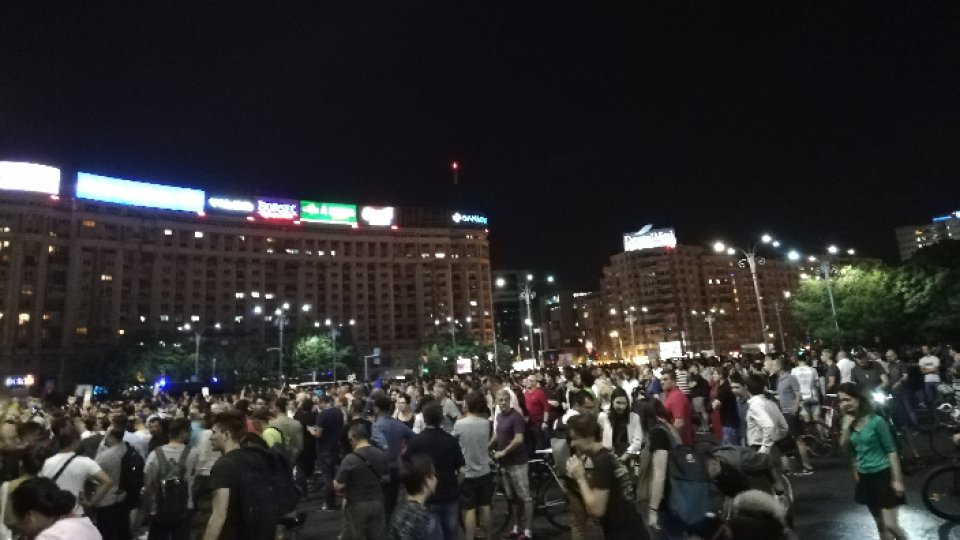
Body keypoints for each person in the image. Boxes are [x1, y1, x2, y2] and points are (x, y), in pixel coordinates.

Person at [836, 383, 907, 540]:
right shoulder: (848, 423)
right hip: (865, 477)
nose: (844, 404)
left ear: (858, 399)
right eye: (841, 401)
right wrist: (846, 428)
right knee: (880, 526)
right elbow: (846, 450)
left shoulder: (877, 421)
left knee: (891, 525)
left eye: (847, 400)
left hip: (884, 475)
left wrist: (897, 480)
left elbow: (891, 451)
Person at [202, 410, 287, 540]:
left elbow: (219, 516)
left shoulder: (223, 466)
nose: (211, 437)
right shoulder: (257, 457)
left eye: (214, 432)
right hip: (263, 532)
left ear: (226, 435)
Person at [564, 414, 649, 540]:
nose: (572, 444)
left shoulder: (602, 462)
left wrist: (580, 477)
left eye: (574, 438)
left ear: (588, 437)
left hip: (624, 533)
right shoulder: (607, 455)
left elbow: (597, 509)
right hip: (629, 528)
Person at [406, 403, 465, 540]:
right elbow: (462, 469)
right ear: (441, 419)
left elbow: (407, 466)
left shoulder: (416, 441)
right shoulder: (450, 440)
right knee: (450, 533)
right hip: (449, 494)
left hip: (426, 496)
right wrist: (456, 483)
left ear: (424, 419)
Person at [40, 423, 113, 516]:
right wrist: (91, 502)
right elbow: (107, 481)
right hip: (76, 511)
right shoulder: (85, 462)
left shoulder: (47, 462)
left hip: (53, 512)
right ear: (75, 441)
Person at [143, 418, 198, 540]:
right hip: (185, 506)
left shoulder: (154, 454)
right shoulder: (194, 453)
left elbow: (148, 485)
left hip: (159, 508)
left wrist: (148, 510)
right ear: (183, 432)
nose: (190, 434)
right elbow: (195, 480)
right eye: (189, 431)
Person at [334, 424, 388, 540]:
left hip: (357, 503)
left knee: (356, 535)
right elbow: (386, 477)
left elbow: (338, 485)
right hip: (378, 501)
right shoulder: (380, 454)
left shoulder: (349, 459)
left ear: (352, 439)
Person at [491, 389, 531, 540]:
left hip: (518, 462)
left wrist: (504, 451)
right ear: (496, 402)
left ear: (510, 400)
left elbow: (519, 439)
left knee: (525, 498)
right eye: (500, 400)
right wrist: (489, 444)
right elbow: (497, 434)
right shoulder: (500, 416)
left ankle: (527, 530)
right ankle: (516, 527)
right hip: (505, 464)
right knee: (512, 498)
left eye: (505, 400)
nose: (503, 403)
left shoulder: (516, 417)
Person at [453, 392, 493, 540]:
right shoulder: (485, 423)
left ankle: (470, 537)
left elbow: (453, 440)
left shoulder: (459, 424)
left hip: (467, 473)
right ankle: (489, 537)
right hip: (485, 471)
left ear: (467, 405)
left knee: (469, 509)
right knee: (485, 506)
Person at [10, 477, 102, 540]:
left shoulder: (49, 537)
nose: (18, 526)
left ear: (31, 516)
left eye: (18, 518)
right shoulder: (85, 524)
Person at [371, 394, 415, 518]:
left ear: (377, 408)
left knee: (382, 503)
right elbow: (414, 438)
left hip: (382, 468)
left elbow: (383, 446)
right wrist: (404, 452)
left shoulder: (377, 425)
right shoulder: (398, 424)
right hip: (397, 466)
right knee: (393, 501)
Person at [388, 453, 442, 540]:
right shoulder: (428, 520)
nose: (436, 479)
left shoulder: (399, 509)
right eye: (434, 475)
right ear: (426, 481)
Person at [93, 429, 131, 540]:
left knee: (107, 533)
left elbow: (93, 476)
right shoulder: (128, 449)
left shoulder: (105, 456)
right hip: (124, 497)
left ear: (111, 437)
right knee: (123, 531)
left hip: (106, 501)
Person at [308, 395, 343, 512]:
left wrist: (311, 430)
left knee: (327, 477)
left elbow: (318, 434)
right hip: (335, 447)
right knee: (333, 474)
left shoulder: (322, 415)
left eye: (319, 403)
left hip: (324, 449)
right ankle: (332, 501)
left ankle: (329, 502)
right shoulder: (339, 412)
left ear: (323, 402)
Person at [597, 387, 642, 457]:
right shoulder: (603, 416)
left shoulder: (634, 417)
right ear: (612, 401)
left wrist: (626, 455)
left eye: (624, 403)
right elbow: (598, 438)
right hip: (608, 457)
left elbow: (637, 441)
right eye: (618, 403)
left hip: (628, 456)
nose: (622, 407)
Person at [660, 370, 694, 445]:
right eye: (661, 380)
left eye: (665, 379)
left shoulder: (676, 397)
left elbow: (679, 424)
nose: (662, 382)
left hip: (680, 443)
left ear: (674, 381)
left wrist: (670, 441)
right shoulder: (670, 395)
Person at [711, 367, 740, 446]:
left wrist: (714, 403)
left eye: (715, 374)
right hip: (728, 420)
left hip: (729, 421)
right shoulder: (723, 386)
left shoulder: (724, 389)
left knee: (729, 447)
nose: (713, 376)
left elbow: (715, 406)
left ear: (721, 375)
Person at [688, 364, 711, 433]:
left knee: (702, 411)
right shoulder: (693, 377)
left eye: (691, 367)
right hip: (695, 396)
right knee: (698, 412)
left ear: (695, 368)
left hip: (699, 396)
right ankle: (703, 425)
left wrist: (689, 384)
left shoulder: (697, 376)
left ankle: (706, 426)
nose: (690, 369)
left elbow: (692, 385)